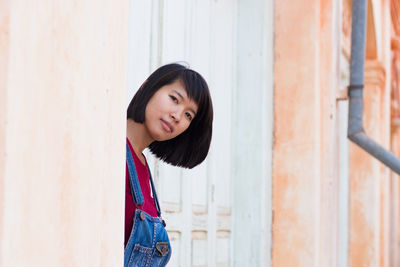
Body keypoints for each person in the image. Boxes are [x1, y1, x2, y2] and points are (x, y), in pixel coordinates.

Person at [125, 63, 213, 266]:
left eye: (188, 115)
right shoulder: (109, 151)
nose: (177, 116)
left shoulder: (143, 171)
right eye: (174, 99)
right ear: (147, 86)